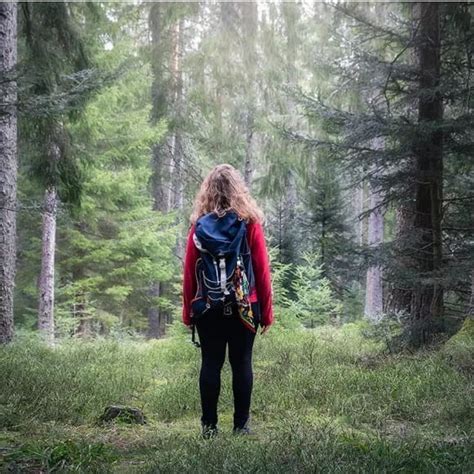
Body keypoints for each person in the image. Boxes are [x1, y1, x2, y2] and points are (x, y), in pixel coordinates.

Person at [182, 163, 274, 438]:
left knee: (210, 363)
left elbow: (189, 274)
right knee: (242, 363)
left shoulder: (198, 228)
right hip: (245, 306)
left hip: (208, 306)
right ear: (238, 191)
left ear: (208, 192)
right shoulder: (249, 224)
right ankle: (241, 426)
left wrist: (188, 312)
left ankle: (209, 428)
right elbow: (261, 270)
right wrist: (266, 313)